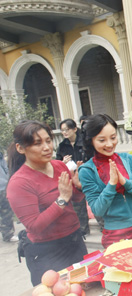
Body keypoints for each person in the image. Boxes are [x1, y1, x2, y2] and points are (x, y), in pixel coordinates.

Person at [6, 121, 87, 285]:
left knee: (86, 289)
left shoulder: (59, 166)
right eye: (38, 143)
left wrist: (78, 188)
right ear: (21, 148)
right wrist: (61, 200)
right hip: (47, 252)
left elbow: (75, 198)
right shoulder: (19, 183)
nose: (47, 147)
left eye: (48, 141)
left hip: (75, 241)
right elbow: (34, 225)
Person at [79, 114, 132, 248]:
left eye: (113, 137)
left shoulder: (128, 159)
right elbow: (97, 211)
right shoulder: (87, 170)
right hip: (116, 234)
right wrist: (111, 184)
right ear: (91, 141)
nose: (110, 144)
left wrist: (125, 182)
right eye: (101, 140)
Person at [56, 118, 90, 235]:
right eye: (62, 130)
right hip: (72, 176)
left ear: (75, 129)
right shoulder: (62, 146)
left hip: (86, 174)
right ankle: (83, 230)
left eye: (67, 129)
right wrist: (63, 162)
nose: (65, 132)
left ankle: (103, 226)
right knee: (78, 204)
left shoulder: (85, 142)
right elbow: (57, 162)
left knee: (92, 199)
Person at [0, 152, 17, 242]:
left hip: (3, 186)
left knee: (6, 211)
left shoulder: (0, 155)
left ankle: (8, 234)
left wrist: (7, 180)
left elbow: (6, 169)